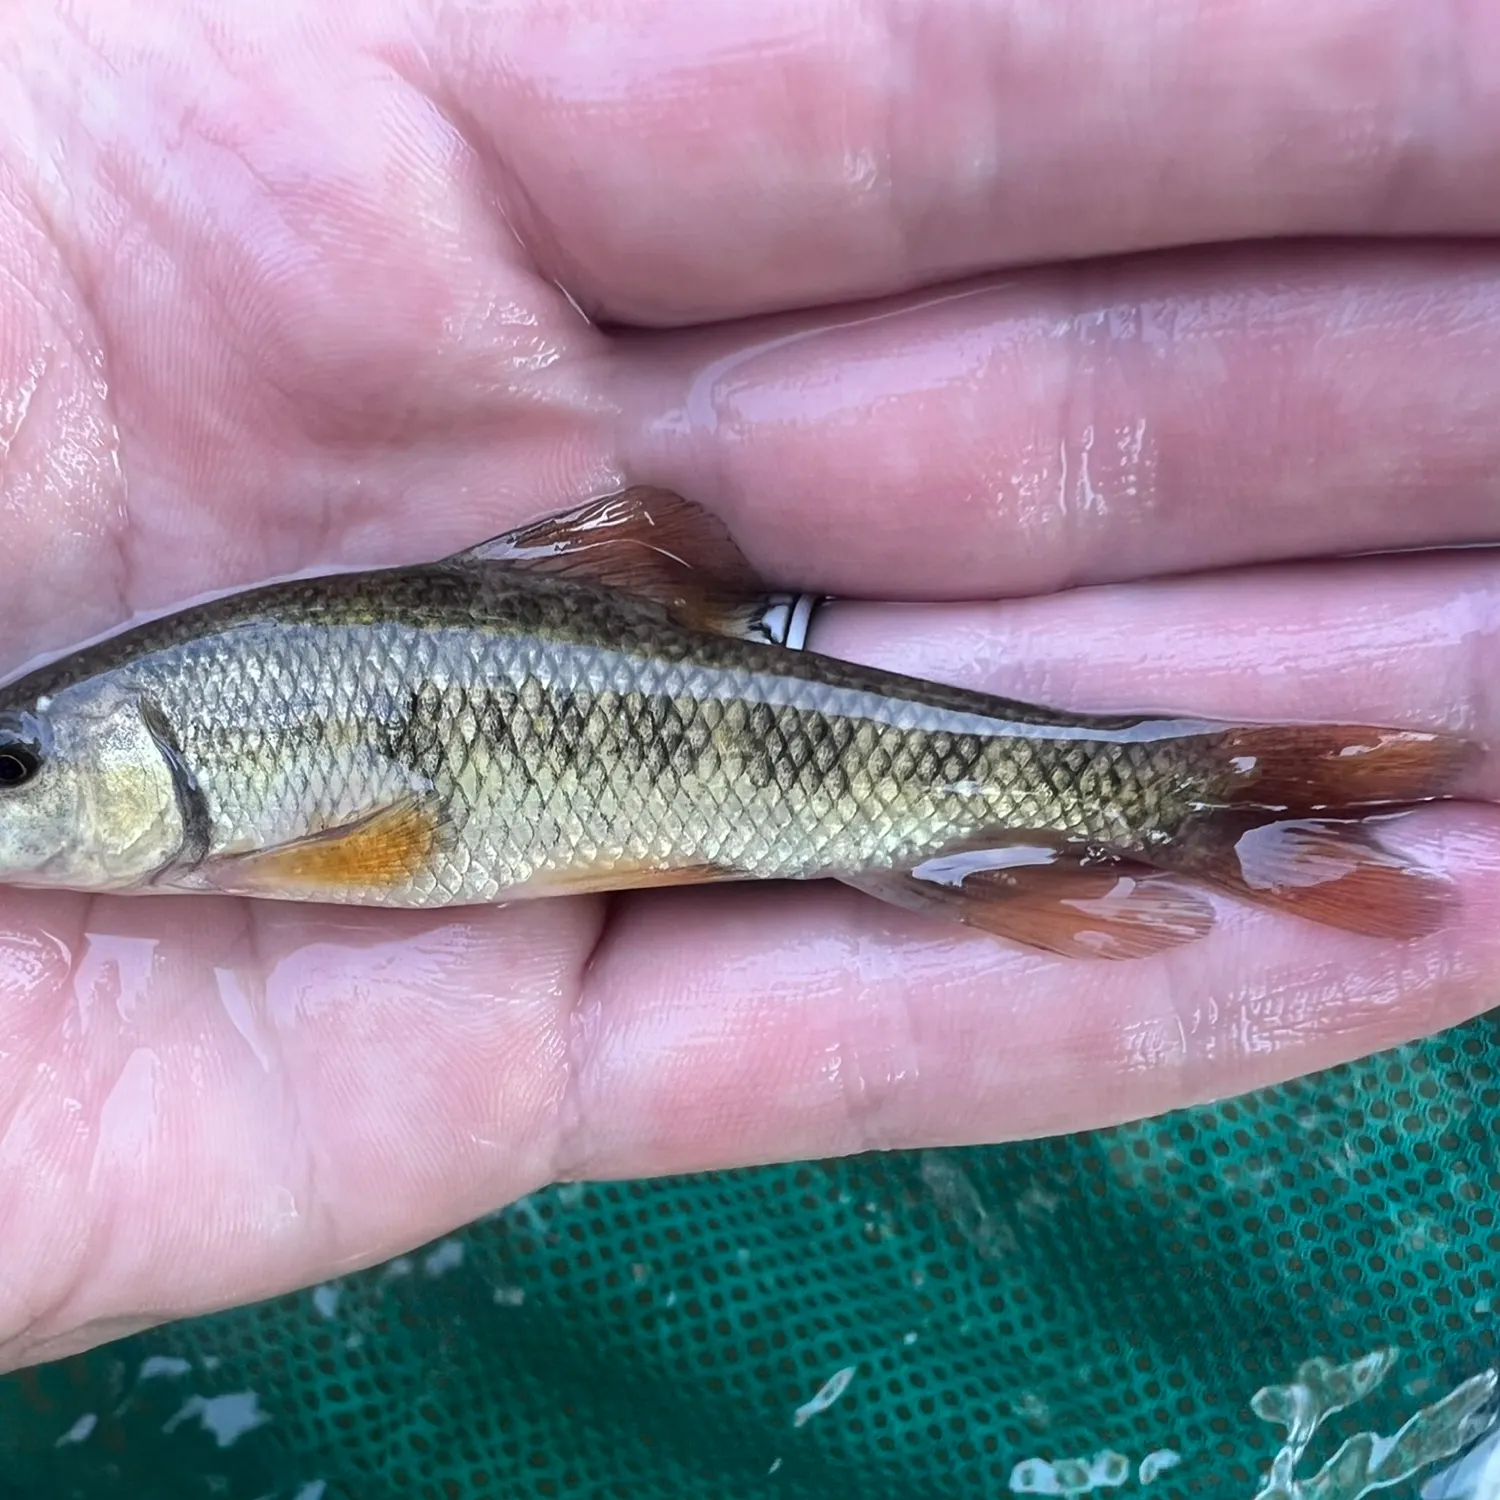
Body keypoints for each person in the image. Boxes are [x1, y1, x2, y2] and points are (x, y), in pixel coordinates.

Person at [2, 0, 1498, 1375]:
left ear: (130, 747)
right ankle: (1194, 801)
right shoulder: (214, 696)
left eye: (18, 765)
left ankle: (1192, 797)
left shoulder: (236, 742)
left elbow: (389, 850)